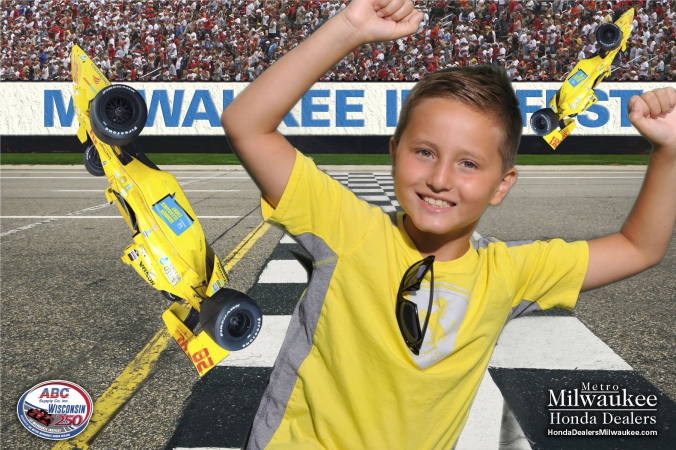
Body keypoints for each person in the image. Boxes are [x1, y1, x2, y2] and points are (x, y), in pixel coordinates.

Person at [221, 0, 676, 448]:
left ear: (502, 184)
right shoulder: (348, 229)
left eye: (469, 164)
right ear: (394, 152)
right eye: (424, 152)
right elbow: (247, 124)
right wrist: (349, 27)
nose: (440, 179)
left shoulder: (510, 271)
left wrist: (670, 152)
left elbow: (640, 247)